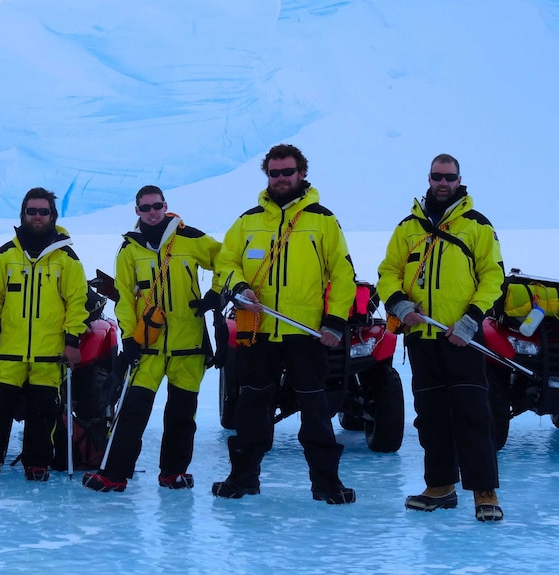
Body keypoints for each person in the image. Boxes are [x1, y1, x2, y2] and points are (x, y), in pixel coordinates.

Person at [211, 144, 357, 504]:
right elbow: (225, 264)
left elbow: (342, 275)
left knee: (316, 413)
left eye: (287, 172)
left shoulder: (322, 220)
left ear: (302, 173)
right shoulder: (247, 221)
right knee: (251, 410)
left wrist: (335, 322)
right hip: (259, 331)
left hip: (305, 334)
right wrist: (239, 286)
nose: (280, 179)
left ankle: (327, 484)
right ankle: (243, 478)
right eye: (274, 173)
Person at [377, 153, 505, 522]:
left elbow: (492, 278)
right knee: (430, 415)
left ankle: (485, 491)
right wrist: (400, 305)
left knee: (473, 415)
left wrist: (471, 320)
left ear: (459, 179)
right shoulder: (408, 227)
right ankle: (440, 486)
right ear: (429, 179)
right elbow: (388, 271)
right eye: (437, 177)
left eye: (449, 177)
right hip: (422, 337)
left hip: (461, 338)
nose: (442, 183)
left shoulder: (477, 226)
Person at [81, 185, 222, 492]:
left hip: (189, 345)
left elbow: (226, 261)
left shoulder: (191, 238)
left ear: (165, 205)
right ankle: (114, 474)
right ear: (137, 211)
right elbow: (125, 299)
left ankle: (173, 473)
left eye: (156, 206)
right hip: (149, 347)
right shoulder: (129, 248)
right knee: (132, 411)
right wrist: (129, 338)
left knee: (182, 414)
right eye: (145, 208)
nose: (152, 212)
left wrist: (215, 292)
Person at [0, 187, 88, 482]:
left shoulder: (67, 258)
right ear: (23, 214)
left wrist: (72, 341)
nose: (37, 216)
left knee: (44, 410)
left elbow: (77, 302)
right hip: (10, 350)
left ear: (53, 216)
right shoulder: (5, 255)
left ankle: (37, 463)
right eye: (32, 211)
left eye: (43, 211)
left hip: (49, 352)